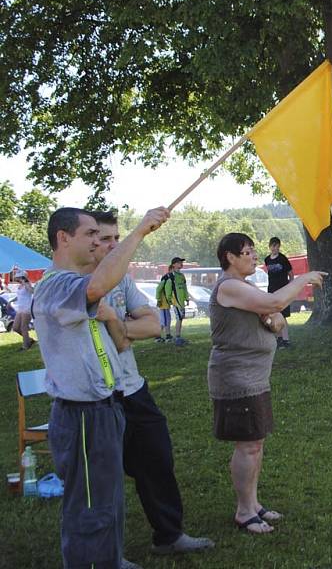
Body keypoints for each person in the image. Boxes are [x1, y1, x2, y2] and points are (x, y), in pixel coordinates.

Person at [33, 206, 168, 569]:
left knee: (108, 500)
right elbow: (97, 286)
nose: (99, 241)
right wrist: (140, 231)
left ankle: (110, 559)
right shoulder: (56, 286)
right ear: (63, 238)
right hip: (81, 415)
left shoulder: (77, 285)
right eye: (90, 234)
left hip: (106, 407)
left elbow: (122, 338)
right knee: (90, 508)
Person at [90, 211, 214, 558]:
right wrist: (122, 328)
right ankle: (104, 554)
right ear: (88, 242)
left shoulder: (123, 282)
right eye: (105, 239)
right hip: (97, 397)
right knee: (103, 477)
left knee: (157, 458)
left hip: (133, 389)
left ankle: (169, 535)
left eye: (117, 238)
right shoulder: (80, 283)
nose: (114, 245)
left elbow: (152, 328)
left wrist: (115, 323)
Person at [207, 233, 326, 534]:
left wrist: (272, 321)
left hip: (255, 377)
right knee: (247, 445)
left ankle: (253, 503)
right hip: (237, 377)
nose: (253, 256)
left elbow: (278, 319)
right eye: (246, 252)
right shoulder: (230, 286)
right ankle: (244, 511)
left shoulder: (244, 287)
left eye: (253, 251)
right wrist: (304, 278)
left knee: (255, 442)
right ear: (230, 257)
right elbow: (275, 301)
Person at [264, 237, 293, 348]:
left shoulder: (283, 259)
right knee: (273, 315)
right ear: (270, 246)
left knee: (283, 315)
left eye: (276, 246)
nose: (274, 248)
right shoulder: (267, 260)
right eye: (272, 246)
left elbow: (291, 273)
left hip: (283, 290)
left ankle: (286, 340)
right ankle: (278, 338)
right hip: (272, 290)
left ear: (279, 246)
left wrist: (290, 287)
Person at [155, 256, 189, 345]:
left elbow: (184, 288)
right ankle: (174, 337)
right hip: (172, 302)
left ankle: (170, 335)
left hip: (180, 302)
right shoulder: (169, 276)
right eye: (178, 262)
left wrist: (187, 298)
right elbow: (163, 289)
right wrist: (163, 299)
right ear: (173, 265)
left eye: (181, 262)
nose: (181, 264)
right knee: (169, 319)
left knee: (177, 318)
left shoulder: (181, 276)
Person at [11, 268, 35, 350]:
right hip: (20, 309)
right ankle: (29, 340)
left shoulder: (27, 284)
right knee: (15, 328)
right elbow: (19, 296)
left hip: (27, 308)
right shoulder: (19, 286)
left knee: (23, 327)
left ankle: (25, 346)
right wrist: (10, 301)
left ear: (22, 277)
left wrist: (26, 284)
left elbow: (32, 291)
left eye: (18, 277)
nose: (16, 278)